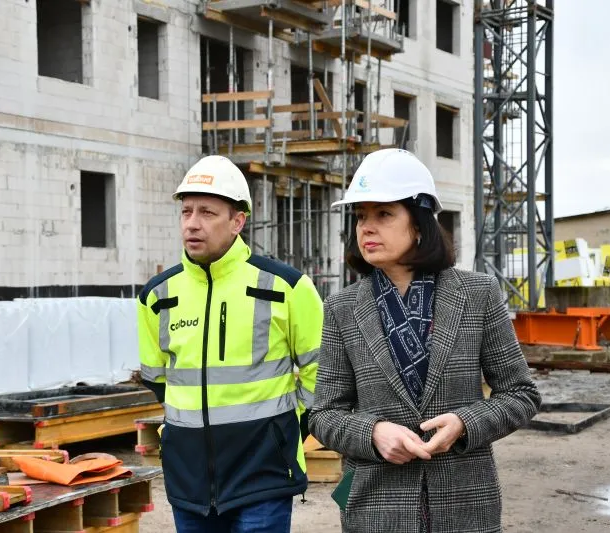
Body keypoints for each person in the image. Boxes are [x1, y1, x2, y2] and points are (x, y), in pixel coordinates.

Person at [309, 148, 541, 533]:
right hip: (374, 505)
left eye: (384, 214)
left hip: (465, 502)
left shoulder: (478, 294)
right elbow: (324, 414)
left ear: (418, 223)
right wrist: (373, 433)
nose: (366, 228)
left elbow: (521, 394)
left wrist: (465, 423)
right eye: (361, 216)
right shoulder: (342, 307)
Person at [137, 155, 323, 532]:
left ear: (238, 221)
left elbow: (323, 373)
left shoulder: (286, 288)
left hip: (263, 476)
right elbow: (157, 379)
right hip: (188, 479)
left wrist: (286, 431)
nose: (192, 223)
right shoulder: (157, 296)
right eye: (186, 211)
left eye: (207, 212)